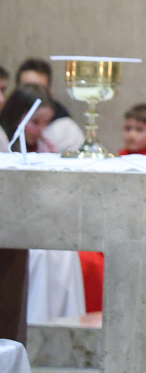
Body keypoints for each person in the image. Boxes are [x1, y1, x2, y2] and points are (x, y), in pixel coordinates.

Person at [0, 84, 86, 322]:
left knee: (64, 253)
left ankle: (62, 325)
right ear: (17, 117)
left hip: (32, 223)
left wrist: (50, 162)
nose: (41, 130)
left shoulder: (42, 147)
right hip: (11, 227)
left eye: (45, 123)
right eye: (35, 122)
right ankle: (34, 323)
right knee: (42, 255)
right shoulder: (4, 140)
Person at [15, 58, 85, 154]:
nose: (34, 95)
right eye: (27, 89)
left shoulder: (65, 130)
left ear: (50, 92)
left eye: (40, 89)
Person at [0, 84, 58, 153]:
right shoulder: (2, 141)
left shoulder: (38, 147)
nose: (42, 129)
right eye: (36, 122)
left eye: (47, 122)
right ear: (15, 117)